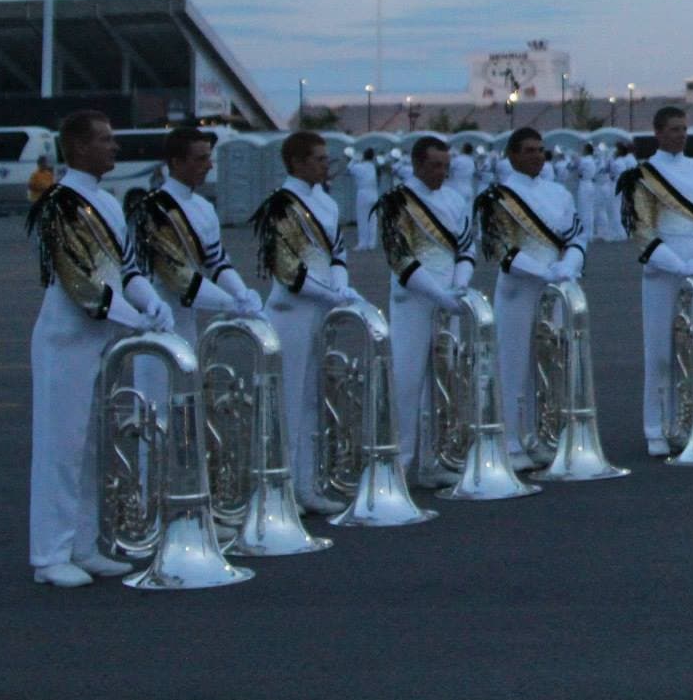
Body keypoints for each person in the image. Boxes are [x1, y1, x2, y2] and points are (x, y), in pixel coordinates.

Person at [27, 110, 173, 587]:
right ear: (79, 147)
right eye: (106, 140)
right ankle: (50, 554)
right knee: (60, 448)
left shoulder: (106, 202)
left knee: (94, 448)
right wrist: (138, 322)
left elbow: (127, 269)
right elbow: (82, 284)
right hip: (66, 340)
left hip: (102, 337)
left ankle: (84, 544)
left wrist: (152, 304)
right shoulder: (60, 203)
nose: (116, 147)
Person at [253, 131, 364, 512]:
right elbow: (287, 270)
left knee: (313, 399)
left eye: (325, 159)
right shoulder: (281, 205)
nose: (324, 165)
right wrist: (333, 295)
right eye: (318, 159)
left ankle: (305, 484)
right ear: (297, 163)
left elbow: (337, 253)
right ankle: (276, 489)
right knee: (286, 402)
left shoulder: (326, 203)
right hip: (291, 309)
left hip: (320, 307)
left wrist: (342, 286)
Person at [129, 127, 265, 404]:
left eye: (209, 157)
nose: (209, 165)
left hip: (187, 318)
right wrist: (230, 303)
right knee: (157, 410)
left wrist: (241, 293)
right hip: (157, 317)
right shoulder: (154, 209)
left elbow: (216, 261)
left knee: (188, 407)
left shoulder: (204, 206)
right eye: (200, 159)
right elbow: (178, 277)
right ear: (177, 163)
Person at [475, 127, 586, 462]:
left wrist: (569, 265)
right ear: (512, 156)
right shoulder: (499, 197)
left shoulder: (559, 194)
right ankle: (511, 442)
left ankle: (545, 436)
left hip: (554, 287)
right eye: (529, 150)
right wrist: (545, 271)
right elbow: (500, 250)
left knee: (553, 364)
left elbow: (577, 236)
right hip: (518, 289)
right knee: (514, 366)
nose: (537, 156)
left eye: (541, 150)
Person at [625, 107, 693, 457]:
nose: (680, 135)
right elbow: (642, 232)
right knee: (660, 354)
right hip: (662, 272)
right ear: (657, 132)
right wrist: (678, 264)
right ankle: (656, 428)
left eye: (683, 129)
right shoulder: (643, 175)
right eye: (672, 129)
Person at [374, 135, 473, 485]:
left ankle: (437, 458)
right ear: (417, 165)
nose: (441, 172)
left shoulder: (455, 199)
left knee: (446, 379)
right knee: (407, 379)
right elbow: (400, 259)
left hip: (448, 296)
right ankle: (398, 461)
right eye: (434, 165)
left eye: (445, 166)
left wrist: (460, 283)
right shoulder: (396, 203)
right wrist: (439, 294)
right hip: (414, 297)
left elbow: (465, 248)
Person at [349, 147, 381, 252]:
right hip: (374, 193)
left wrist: (355, 159)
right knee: (373, 219)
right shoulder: (374, 167)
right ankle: (372, 243)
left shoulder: (359, 167)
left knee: (363, 219)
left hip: (363, 193)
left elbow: (349, 168)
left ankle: (363, 243)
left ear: (364, 156)